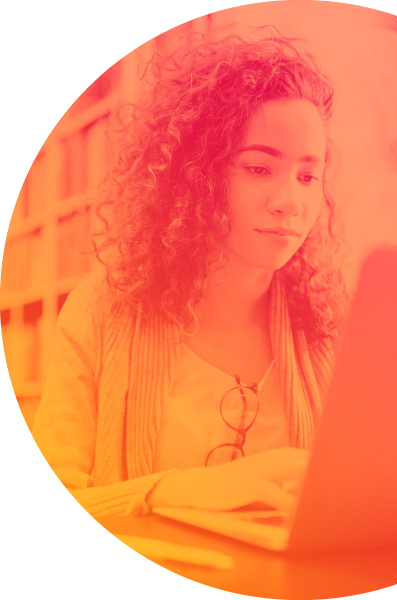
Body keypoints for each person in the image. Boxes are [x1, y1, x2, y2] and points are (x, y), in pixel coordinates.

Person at [32, 31, 347, 519]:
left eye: (308, 176)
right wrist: (172, 493)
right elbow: (43, 511)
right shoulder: (101, 311)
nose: (290, 202)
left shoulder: (327, 328)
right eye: (259, 168)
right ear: (194, 174)